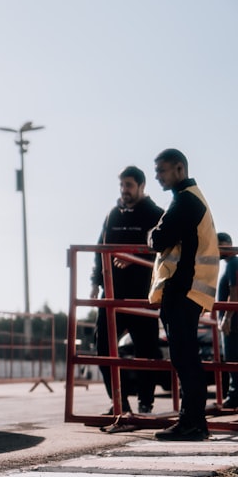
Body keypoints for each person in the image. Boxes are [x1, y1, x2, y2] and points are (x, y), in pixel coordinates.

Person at [148, 148, 219, 441]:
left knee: (184, 358)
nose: (157, 176)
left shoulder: (185, 201)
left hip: (183, 290)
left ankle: (192, 423)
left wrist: (151, 233)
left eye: (161, 170)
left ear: (179, 169)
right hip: (188, 291)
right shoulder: (192, 198)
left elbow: (159, 239)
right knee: (187, 357)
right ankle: (194, 422)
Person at [91, 166, 164, 424]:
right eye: (122, 185)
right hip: (112, 294)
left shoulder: (156, 215)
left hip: (143, 295)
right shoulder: (112, 215)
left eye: (129, 185)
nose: (124, 191)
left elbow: (165, 250)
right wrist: (94, 282)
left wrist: (137, 256)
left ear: (142, 187)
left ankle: (146, 402)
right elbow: (100, 247)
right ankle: (118, 402)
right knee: (102, 347)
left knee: (147, 351)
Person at [216, 232, 238, 408]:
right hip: (231, 319)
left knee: (232, 357)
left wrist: (227, 318)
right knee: (231, 357)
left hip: (233, 321)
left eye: (219, 246)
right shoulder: (230, 264)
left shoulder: (233, 263)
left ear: (228, 244)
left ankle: (234, 395)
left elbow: (235, 290)